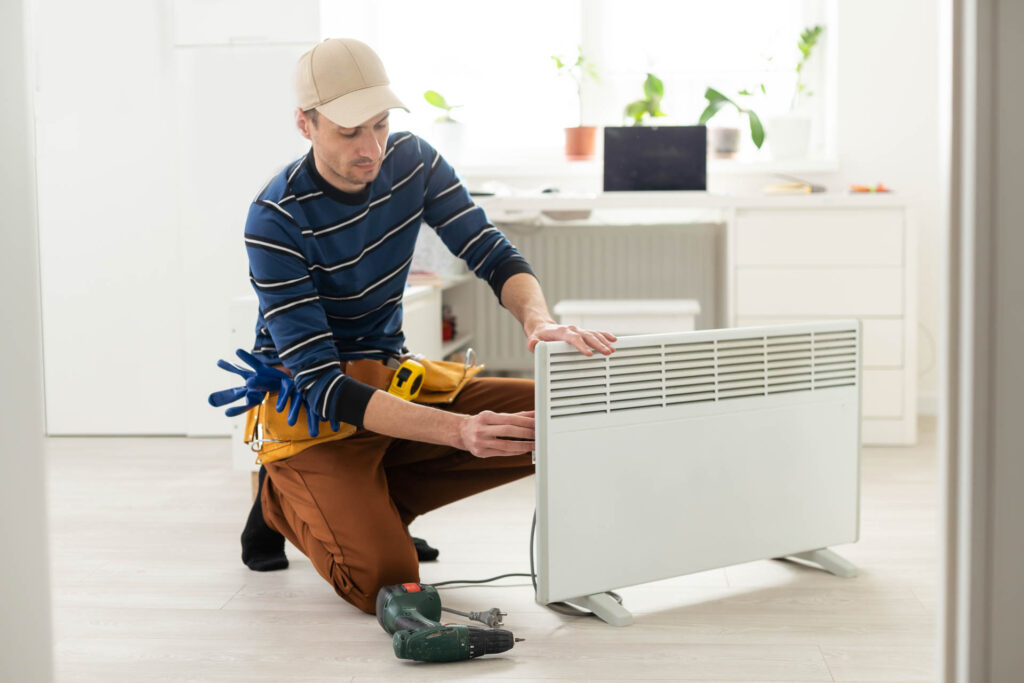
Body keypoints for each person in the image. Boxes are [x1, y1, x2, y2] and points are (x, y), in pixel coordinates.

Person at [233, 37, 616, 615]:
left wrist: (539, 322)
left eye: (381, 125)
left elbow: (492, 252)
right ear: (304, 125)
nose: (372, 148)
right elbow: (323, 385)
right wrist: (459, 432)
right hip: (313, 402)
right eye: (349, 132)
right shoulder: (275, 217)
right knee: (389, 576)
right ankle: (279, 499)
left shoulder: (413, 161)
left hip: (390, 380)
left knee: (567, 409)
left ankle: (373, 501)